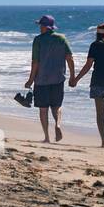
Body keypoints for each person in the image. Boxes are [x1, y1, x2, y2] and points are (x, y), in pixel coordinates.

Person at [24, 14, 74, 143]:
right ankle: (57, 125)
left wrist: (30, 79)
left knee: (43, 109)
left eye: (41, 25)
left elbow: (35, 62)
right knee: (57, 106)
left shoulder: (38, 40)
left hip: (41, 80)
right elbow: (69, 58)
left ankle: (47, 137)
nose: (39, 27)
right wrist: (72, 76)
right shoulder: (62, 38)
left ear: (45, 27)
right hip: (58, 78)